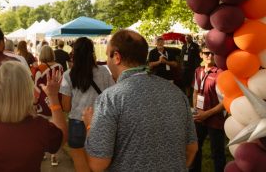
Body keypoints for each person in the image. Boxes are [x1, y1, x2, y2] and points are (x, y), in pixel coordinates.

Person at [83, 29, 198, 171]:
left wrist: (90, 126)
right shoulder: (177, 93)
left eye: (108, 55)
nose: (107, 61)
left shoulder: (110, 98)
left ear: (117, 57)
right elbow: (191, 148)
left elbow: (98, 163)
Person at [59, 37, 114, 172]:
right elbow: (111, 96)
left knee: (80, 165)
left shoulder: (68, 75)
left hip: (77, 124)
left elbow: (66, 107)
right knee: (100, 165)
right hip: (100, 122)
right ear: (92, 52)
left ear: (74, 53)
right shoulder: (104, 72)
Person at [190, 44, 226, 172]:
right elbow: (195, 92)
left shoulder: (220, 73)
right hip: (199, 117)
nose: (209, 55)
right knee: (195, 148)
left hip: (215, 118)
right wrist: (196, 110)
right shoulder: (198, 71)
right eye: (206, 53)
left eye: (212, 53)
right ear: (200, 55)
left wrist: (207, 114)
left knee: (217, 152)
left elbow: (226, 101)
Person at [32, 45, 63, 166]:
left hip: (42, 102)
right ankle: (54, 157)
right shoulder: (59, 66)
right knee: (55, 127)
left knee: (42, 127)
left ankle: (43, 152)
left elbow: (36, 88)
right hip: (55, 99)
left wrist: (34, 102)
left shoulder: (39, 68)